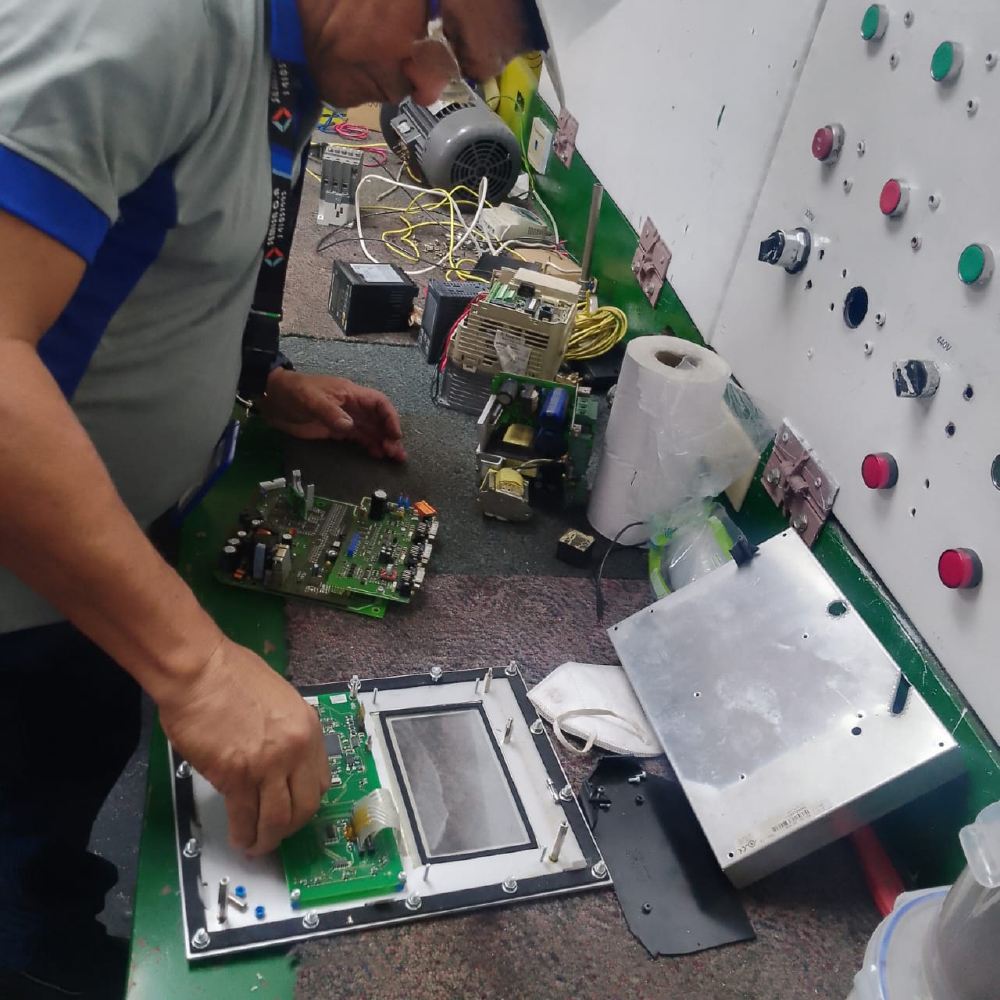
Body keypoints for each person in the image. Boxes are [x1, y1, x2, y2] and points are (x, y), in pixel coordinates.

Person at [0, 1, 551, 996]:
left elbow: (141, 257)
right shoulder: (145, 22)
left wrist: (258, 381)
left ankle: (48, 923)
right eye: (441, 31)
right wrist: (197, 668)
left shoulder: (263, 54)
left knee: (54, 810)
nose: (431, 88)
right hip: (18, 597)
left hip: (78, 579)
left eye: (470, 78)